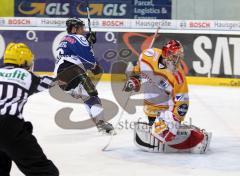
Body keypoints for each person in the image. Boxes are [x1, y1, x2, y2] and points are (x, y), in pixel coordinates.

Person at [124, 40, 211, 153]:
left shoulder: (178, 76)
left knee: (164, 131)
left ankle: (194, 137)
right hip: (150, 106)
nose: (178, 60)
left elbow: (182, 102)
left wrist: (174, 121)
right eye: (175, 57)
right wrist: (134, 79)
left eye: (179, 57)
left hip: (167, 110)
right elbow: (138, 70)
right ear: (167, 54)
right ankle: (158, 127)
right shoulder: (147, 56)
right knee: (155, 127)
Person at [0, 43, 59, 175]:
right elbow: (52, 82)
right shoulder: (26, 75)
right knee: (45, 172)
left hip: (8, 129)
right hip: (9, 128)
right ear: (24, 61)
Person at [55, 18, 114, 134]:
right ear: (74, 28)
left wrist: (88, 41)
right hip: (73, 72)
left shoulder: (64, 39)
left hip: (61, 80)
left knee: (87, 97)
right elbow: (89, 61)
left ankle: (99, 123)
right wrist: (95, 67)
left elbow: (75, 49)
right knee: (92, 95)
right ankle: (101, 123)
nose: (84, 30)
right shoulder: (79, 38)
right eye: (81, 28)